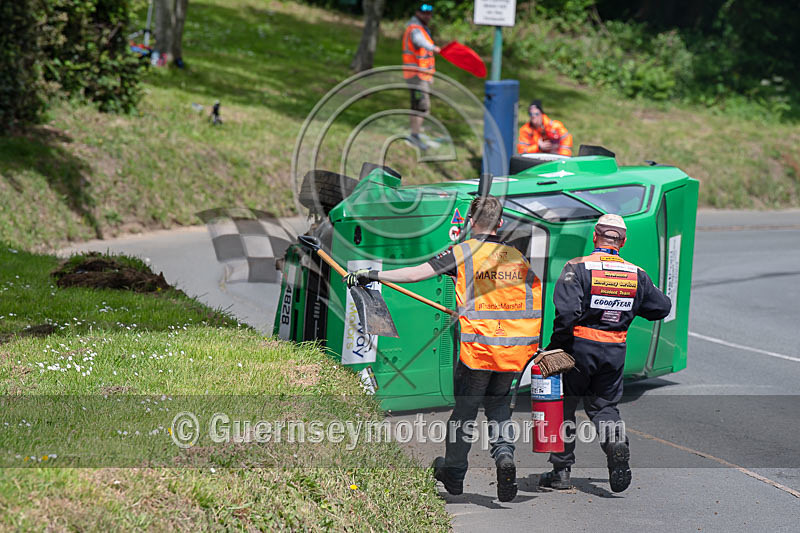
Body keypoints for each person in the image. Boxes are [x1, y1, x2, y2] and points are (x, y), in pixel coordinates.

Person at [345, 196, 542, 502]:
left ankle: (454, 473)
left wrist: (374, 275)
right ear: (500, 224)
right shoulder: (516, 257)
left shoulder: (464, 252)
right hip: (513, 350)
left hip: (478, 351)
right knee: (498, 408)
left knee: (464, 413)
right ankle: (504, 457)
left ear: (469, 223)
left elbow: (415, 274)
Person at [538, 214, 671, 493]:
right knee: (604, 407)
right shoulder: (637, 274)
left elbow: (567, 313)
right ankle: (615, 443)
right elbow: (661, 307)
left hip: (578, 349)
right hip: (614, 351)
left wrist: (556, 346)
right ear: (623, 241)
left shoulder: (577, 267)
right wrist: (631, 305)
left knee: (564, 409)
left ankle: (561, 472)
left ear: (595, 236)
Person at [402, 3, 440, 150]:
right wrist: (434, 48)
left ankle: (415, 133)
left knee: (417, 106)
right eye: (424, 13)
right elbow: (419, 42)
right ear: (417, 13)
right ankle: (414, 136)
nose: (427, 16)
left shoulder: (422, 28)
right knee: (422, 108)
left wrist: (429, 75)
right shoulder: (415, 29)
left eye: (429, 13)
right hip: (416, 76)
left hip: (420, 75)